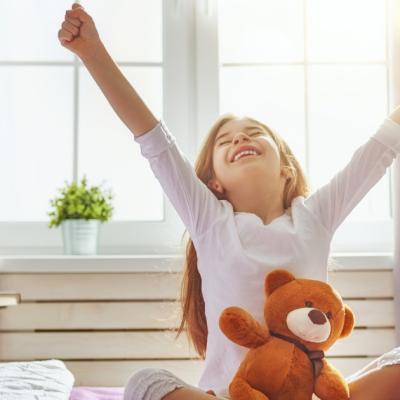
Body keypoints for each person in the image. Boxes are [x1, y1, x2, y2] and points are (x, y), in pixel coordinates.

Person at [58, 3, 400, 399]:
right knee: (145, 382)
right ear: (214, 183)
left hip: (303, 393)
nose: (240, 139)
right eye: (226, 141)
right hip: (228, 394)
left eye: (253, 133)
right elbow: (153, 139)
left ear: (286, 167)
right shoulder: (210, 220)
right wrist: (92, 51)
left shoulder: (316, 217)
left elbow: (378, 152)